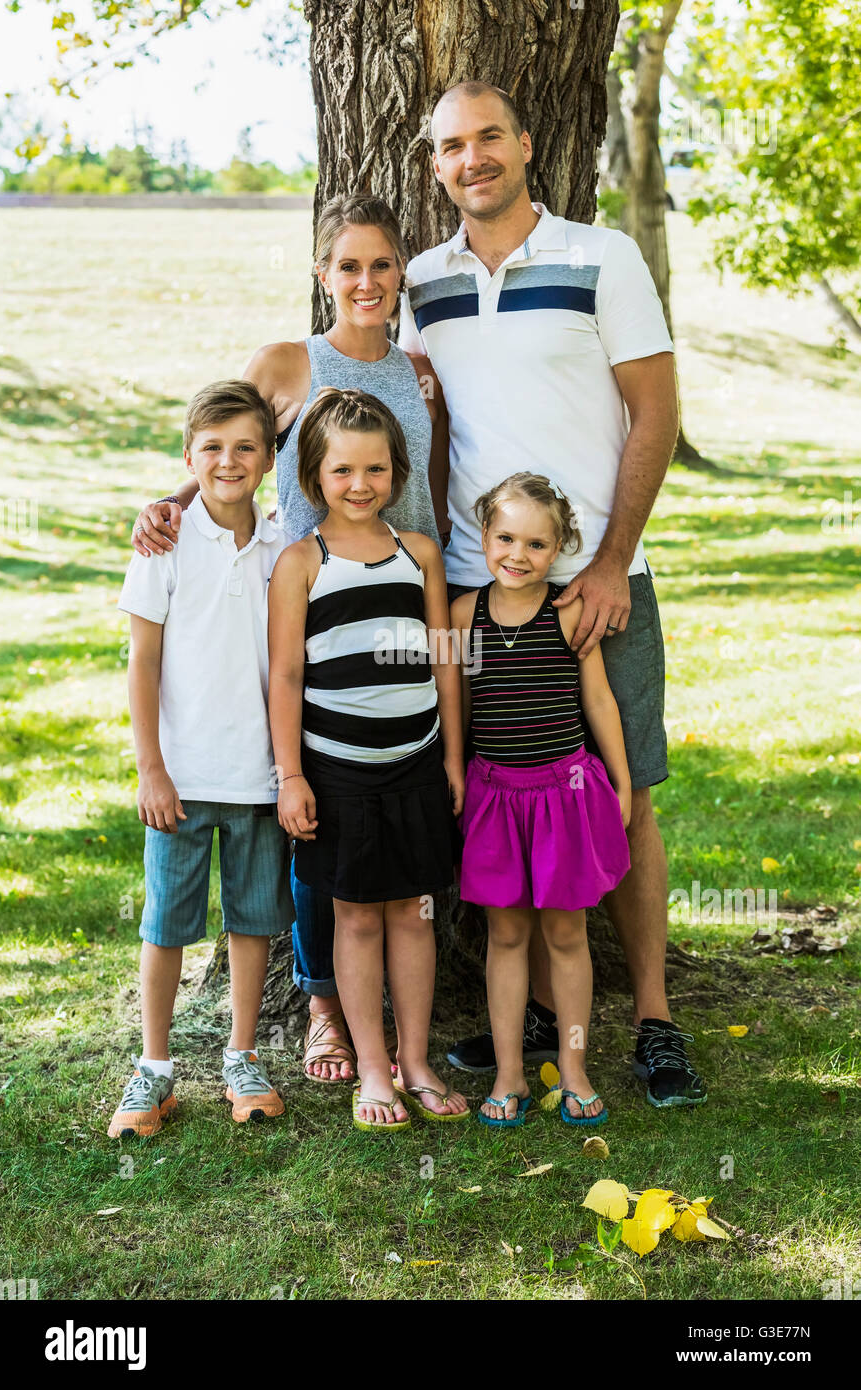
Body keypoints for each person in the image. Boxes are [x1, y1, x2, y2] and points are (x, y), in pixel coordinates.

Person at [399, 80, 707, 1108]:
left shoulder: (600, 255)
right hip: (474, 597)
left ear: (526, 146)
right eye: (452, 145)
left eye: (489, 136)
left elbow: (654, 413)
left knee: (622, 800)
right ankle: (527, 1011)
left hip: (594, 585)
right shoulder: (421, 283)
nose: (472, 156)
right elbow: (404, 431)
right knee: (499, 790)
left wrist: (612, 559)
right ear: (435, 164)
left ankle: (654, 1018)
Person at [128, 194, 452, 1087]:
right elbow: (231, 451)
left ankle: (405, 1031)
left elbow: (434, 481)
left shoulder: (420, 372)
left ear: (400, 273)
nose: (366, 282)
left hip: (400, 597)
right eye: (347, 266)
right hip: (306, 608)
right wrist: (171, 504)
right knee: (315, 815)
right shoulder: (287, 361)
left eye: (381, 265)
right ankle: (323, 1009)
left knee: (397, 817)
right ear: (323, 275)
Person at [268, 386, 469, 1130]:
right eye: (344, 470)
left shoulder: (420, 554)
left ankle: (416, 1060)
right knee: (354, 919)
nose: (360, 485)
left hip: (416, 761)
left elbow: (446, 660)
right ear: (314, 475)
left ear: (398, 472)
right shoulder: (301, 563)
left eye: (376, 470)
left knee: (416, 914)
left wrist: (452, 757)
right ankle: (375, 1071)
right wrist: (291, 775)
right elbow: (286, 675)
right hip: (337, 771)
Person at [108, 381, 294, 1139]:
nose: (228, 461)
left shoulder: (285, 547)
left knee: (251, 922)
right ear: (188, 458)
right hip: (178, 783)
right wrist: (151, 768)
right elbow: (142, 663)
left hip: (259, 778)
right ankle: (154, 1067)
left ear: (269, 458)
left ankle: (242, 1054)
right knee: (167, 927)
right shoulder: (166, 542)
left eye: (246, 446)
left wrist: (289, 768)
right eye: (212, 448)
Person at [451, 474, 631, 1127]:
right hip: (495, 796)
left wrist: (624, 783)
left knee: (565, 931)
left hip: (566, 794)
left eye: (536, 542)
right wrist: (455, 772)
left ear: (558, 549)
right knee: (505, 935)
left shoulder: (569, 612)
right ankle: (508, 1074)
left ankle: (575, 1068)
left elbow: (600, 700)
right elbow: (457, 706)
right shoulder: (460, 613)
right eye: (505, 538)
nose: (517, 554)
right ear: (484, 537)